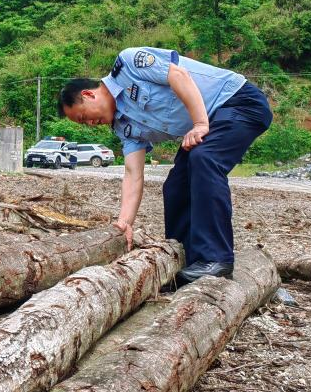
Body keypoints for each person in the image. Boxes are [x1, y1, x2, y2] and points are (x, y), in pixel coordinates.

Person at [57, 47, 272, 286]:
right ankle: (184, 260)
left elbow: (179, 76)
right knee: (175, 185)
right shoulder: (123, 126)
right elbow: (133, 173)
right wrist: (124, 224)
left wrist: (200, 123)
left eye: (83, 117)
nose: (90, 123)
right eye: (84, 124)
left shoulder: (129, 64)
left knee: (204, 159)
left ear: (88, 94)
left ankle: (216, 259)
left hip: (239, 102)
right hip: (212, 121)